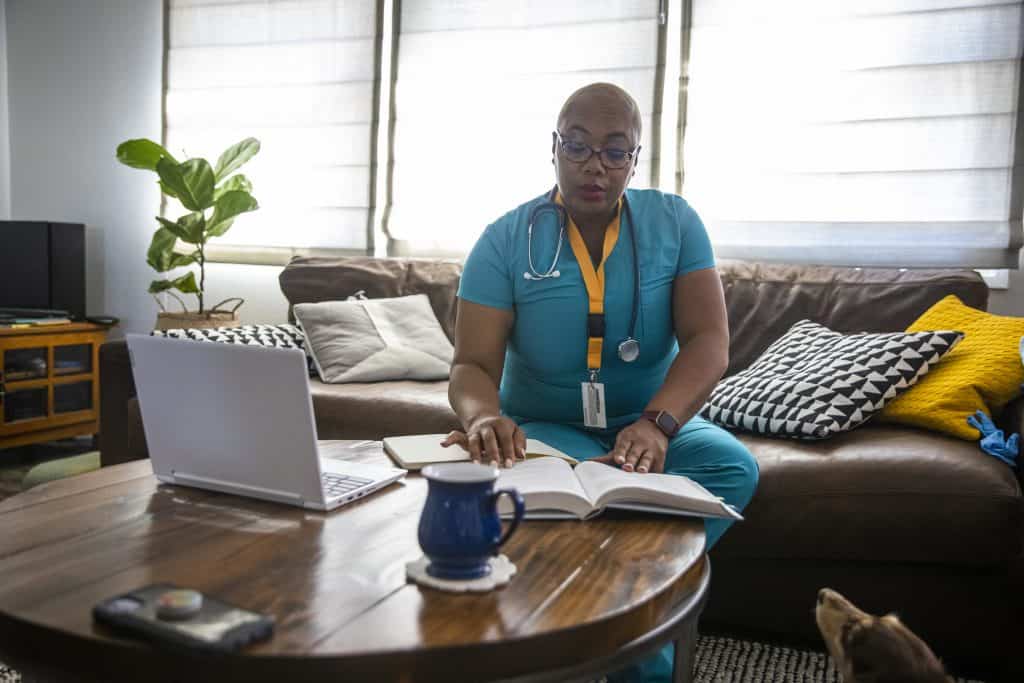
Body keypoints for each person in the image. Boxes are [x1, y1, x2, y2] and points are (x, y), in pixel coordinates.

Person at [444, 83, 759, 682]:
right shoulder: (503, 239)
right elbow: (471, 366)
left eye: (617, 151)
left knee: (731, 467)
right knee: (575, 485)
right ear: (554, 148)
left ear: (636, 159)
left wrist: (658, 423)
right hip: (548, 428)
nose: (596, 165)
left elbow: (708, 342)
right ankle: (634, 615)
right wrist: (484, 417)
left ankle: (625, 586)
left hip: (648, 424)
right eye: (579, 147)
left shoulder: (676, 222)